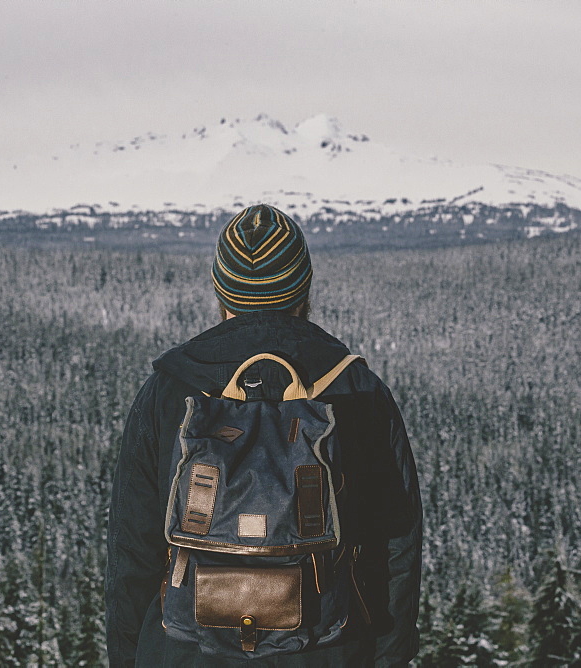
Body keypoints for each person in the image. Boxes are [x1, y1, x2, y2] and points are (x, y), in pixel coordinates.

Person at [106, 204, 422, 666]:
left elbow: (132, 552)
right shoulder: (357, 391)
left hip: (183, 650)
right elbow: (396, 549)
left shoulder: (170, 388)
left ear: (222, 291)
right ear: (304, 289)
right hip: (329, 647)